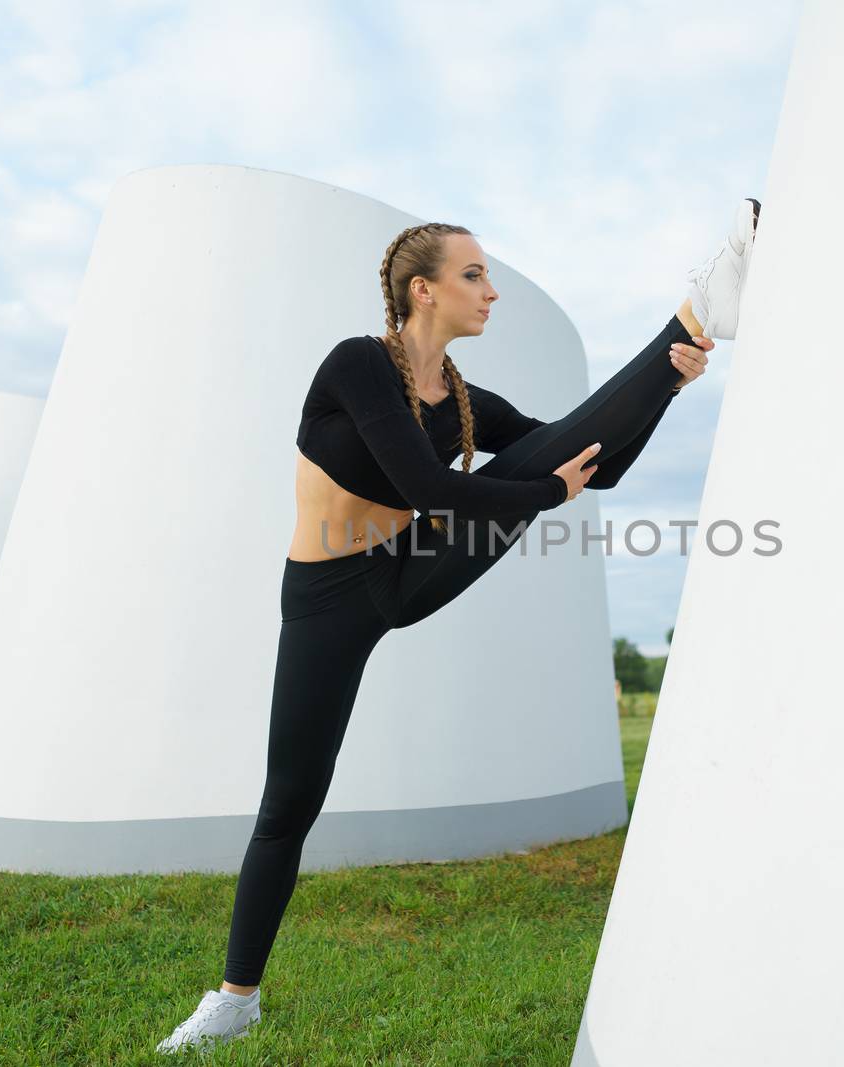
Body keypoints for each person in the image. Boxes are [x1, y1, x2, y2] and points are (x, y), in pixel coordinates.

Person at [157, 197, 760, 1054]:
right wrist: (549, 492)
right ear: (421, 291)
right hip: (327, 599)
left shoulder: (462, 400)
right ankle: (234, 998)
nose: (490, 292)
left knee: (536, 451)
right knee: (290, 800)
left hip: (409, 572)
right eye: (474, 275)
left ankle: (701, 315)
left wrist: (671, 377)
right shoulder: (360, 366)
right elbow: (435, 489)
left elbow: (597, 463)